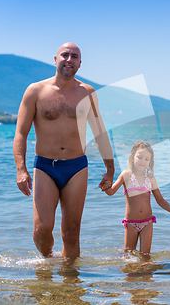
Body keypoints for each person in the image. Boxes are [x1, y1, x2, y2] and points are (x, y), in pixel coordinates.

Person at [13, 42, 115, 259]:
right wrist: (21, 170)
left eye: (74, 56)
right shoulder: (36, 91)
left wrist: (110, 169)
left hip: (76, 166)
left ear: (79, 64)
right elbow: (21, 133)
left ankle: (71, 286)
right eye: (65, 55)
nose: (69, 59)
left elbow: (100, 132)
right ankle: (48, 258)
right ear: (55, 59)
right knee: (42, 229)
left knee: (71, 233)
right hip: (45, 167)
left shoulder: (87, 92)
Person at [104, 141, 170, 257]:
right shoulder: (126, 175)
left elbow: (160, 199)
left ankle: (145, 274)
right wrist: (106, 187)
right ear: (132, 156)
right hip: (131, 223)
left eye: (146, 159)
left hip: (147, 222)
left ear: (150, 162)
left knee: (145, 256)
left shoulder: (150, 178)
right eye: (139, 157)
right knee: (128, 255)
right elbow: (111, 191)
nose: (142, 161)